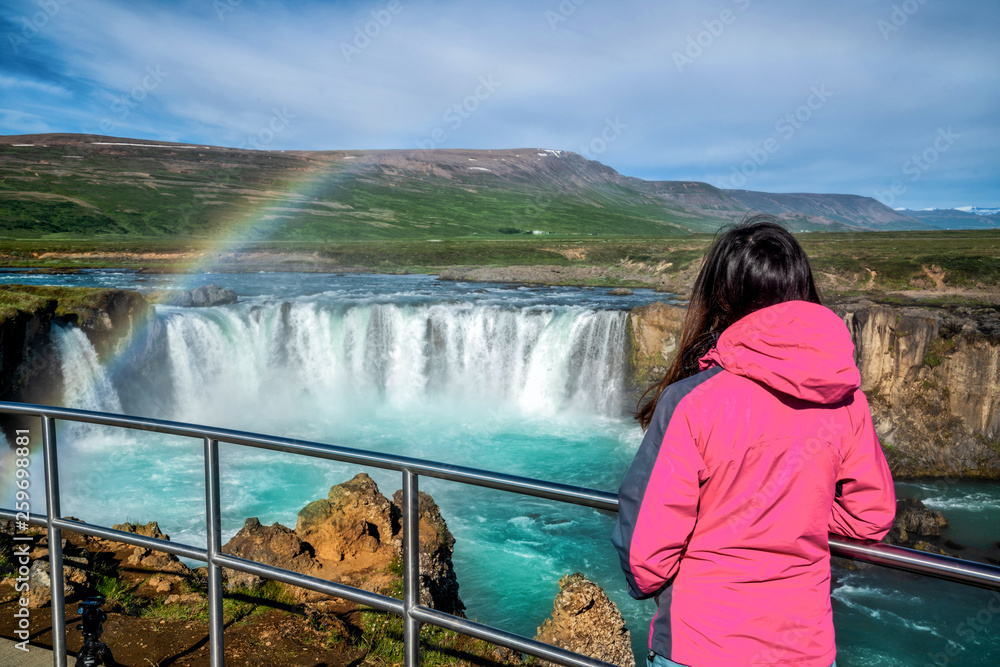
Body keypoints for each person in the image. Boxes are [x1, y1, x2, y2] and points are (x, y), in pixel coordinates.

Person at [612, 216, 896, 667]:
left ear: (720, 297)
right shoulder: (846, 399)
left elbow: (647, 553)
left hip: (702, 643)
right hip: (805, 648)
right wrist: (802, 507)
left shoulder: (691, 401)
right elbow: (870, 520)